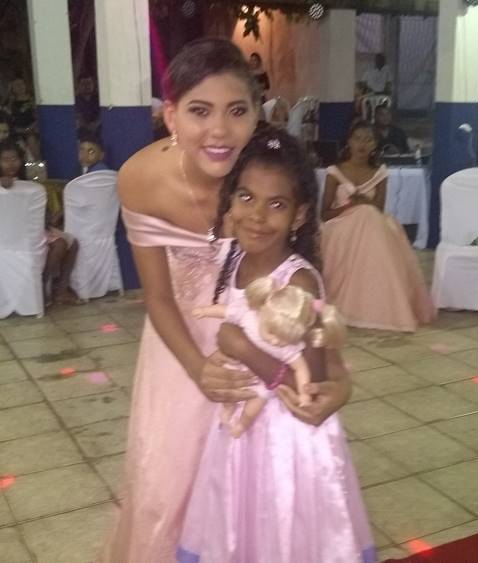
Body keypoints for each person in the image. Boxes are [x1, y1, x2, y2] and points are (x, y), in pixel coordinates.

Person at [100, 38, 353, 562]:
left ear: (257, 113)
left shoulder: (266, 180)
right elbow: (158, 296)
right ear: (171, 115)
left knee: (256, 493)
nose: (219, 130)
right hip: (179, 349)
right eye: (200, 111)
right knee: (168, 485)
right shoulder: (140, 180)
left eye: (237, 111)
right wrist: (198, 369)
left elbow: (306, 287)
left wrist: (338, 377)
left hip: (265, 346)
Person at [177, 129, 374, 562]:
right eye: (246, 197)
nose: (257, 216)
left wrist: (243, 349)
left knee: (279, 532)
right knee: (239, 527)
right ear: (230, 201)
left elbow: (311, 384)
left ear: (299, 215)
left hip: (287, 440)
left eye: (277, 204)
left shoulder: (298, 282)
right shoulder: (233, 259)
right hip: (240, 430)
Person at [321, 121, 434, 331]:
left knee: (371, 217)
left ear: (375, 144)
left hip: (371, 223)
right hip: (340, 224)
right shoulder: (335, 171)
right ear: (349, 142)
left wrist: (363, 202)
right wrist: (349, 206)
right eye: (357, 139)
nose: (362, 144)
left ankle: (382, 304)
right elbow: (324, 214)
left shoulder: (380, 172)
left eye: (368, 140)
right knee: (366, 216)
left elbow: (379, 209)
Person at [0, 140, 79, 305]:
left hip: (31, 229)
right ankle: (41, 282)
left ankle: (61, 289)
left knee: (72, 243)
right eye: (5, 160)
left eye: (14, 159)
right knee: (60, 244)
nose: (11, 163)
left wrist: (50, 218)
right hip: (10, 233)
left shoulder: (27, 183)